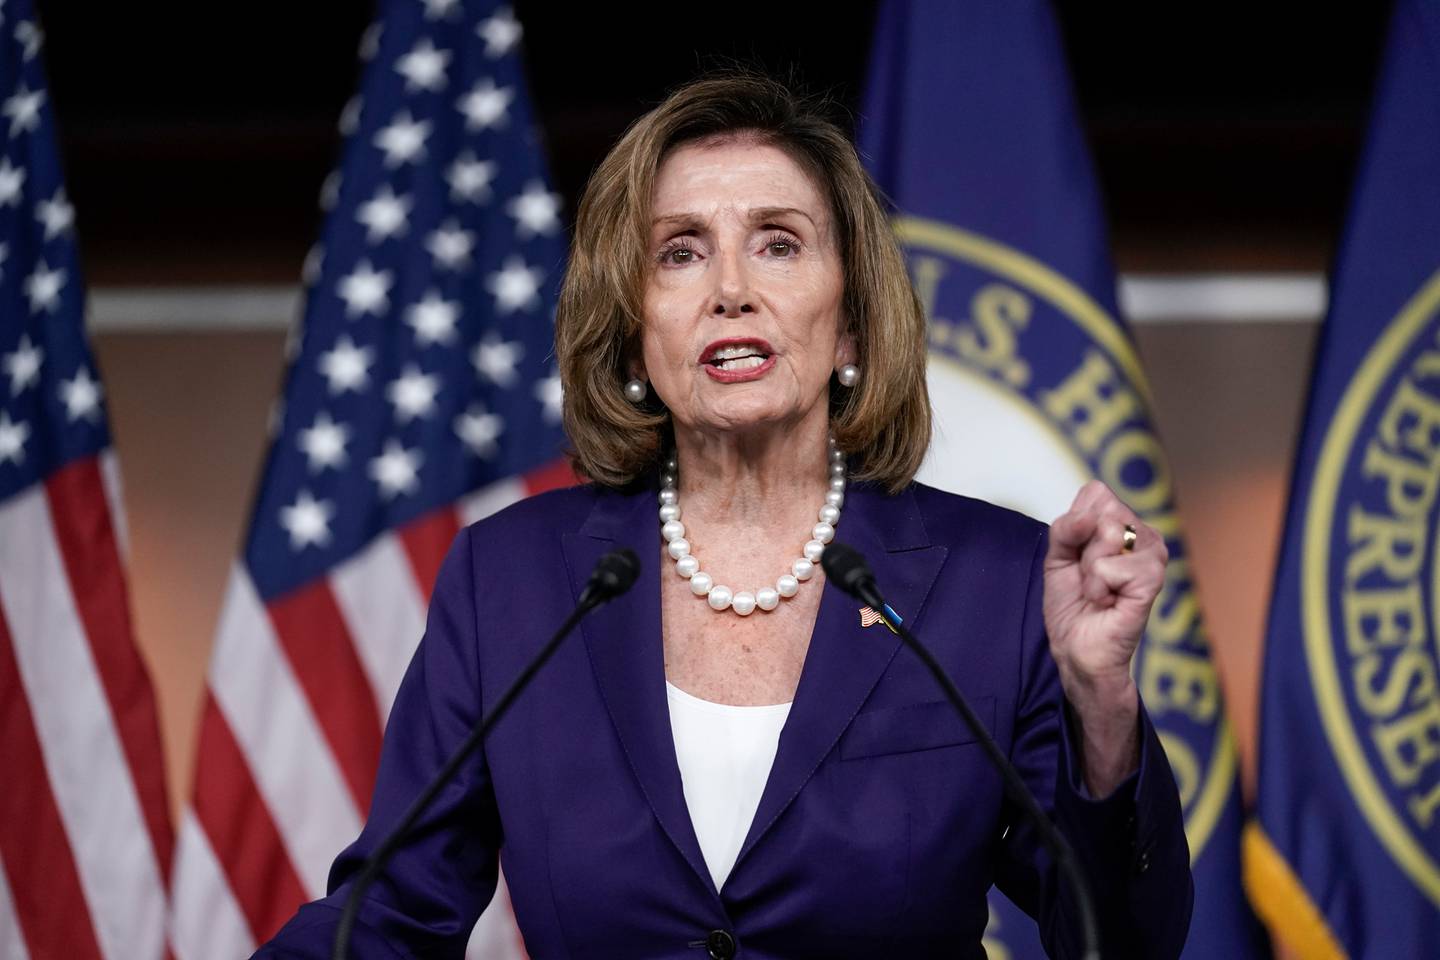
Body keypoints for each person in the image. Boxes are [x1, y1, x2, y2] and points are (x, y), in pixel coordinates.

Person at [258, 72, 1192, 959]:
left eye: (779, 242)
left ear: (853, 324)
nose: (730, 288)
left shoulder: (994, 580)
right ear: (634, 329)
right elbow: (391, 915)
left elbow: (1118, 939)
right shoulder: (510, 583)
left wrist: (1102, 705)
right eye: (681, 252)